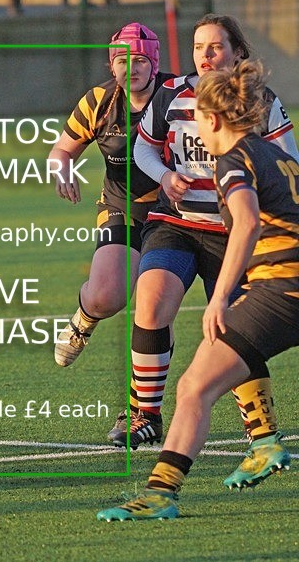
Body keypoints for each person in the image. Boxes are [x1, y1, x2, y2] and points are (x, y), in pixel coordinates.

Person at [97, 59, 296, 521]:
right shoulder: (280, 157)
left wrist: (222, 296)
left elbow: (245, 222)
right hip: (287, 289)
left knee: (193, 389)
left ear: (212, 120)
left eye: (197, 122)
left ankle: (161, 494)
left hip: (279, 293)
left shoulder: (233, 158)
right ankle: (265, 443)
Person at [115, 14, 298, 451]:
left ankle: (262, 433)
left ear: (237, 52)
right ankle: (145, 415)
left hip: (233, 235)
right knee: (151, 299)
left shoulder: (261, 103)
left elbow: (287, 162)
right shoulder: (172, 94)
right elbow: (142, 145)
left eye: (216, 46)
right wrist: (163, 175)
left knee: (235, 327)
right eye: (199, 47)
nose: (206, 55)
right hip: (176, 224)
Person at [53, 23, 172, 374]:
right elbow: (61, 150)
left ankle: (140, 409)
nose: (130, 67)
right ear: (112, 65)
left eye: (139, 60)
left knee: (156, 307)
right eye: (122, 60)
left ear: (153, 61)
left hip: (174, 215)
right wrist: (63, 171)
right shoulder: (98, 102)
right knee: (106, 296)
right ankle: (84, 319)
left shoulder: (178, 96)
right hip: (121, 206)